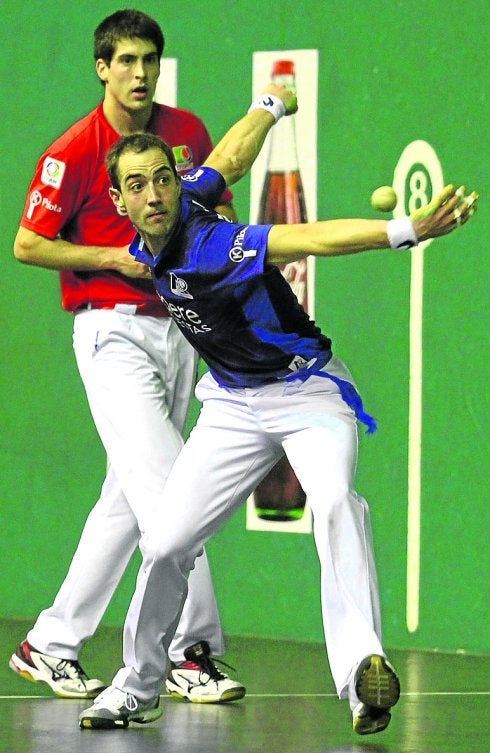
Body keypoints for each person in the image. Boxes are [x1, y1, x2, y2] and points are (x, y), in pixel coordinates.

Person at [76, 89, 478, 733]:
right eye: (137, 186)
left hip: (307, 393)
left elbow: (306, 237)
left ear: (174, 185)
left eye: (162, 180)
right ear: (120, 201)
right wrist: (270, 104)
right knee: (167, 542)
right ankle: (138, 686)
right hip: (232, 403)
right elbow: (230, 157)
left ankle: (361, 675)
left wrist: (404, 231)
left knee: (336, 501)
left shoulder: (209, 245)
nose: (154, 195)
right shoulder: (185, 201)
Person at [10, 8, 245, 704]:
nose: (140, 73)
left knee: (126, 497)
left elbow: (214, 203)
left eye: (150, 61)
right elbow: (28, 243)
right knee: (175, 491)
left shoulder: (186, 133)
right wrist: (112, 256)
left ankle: (49, 642)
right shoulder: (73, 150)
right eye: (127, 61)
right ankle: (188, 649)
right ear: (101, 67)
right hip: (110, 334)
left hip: (179, 329)